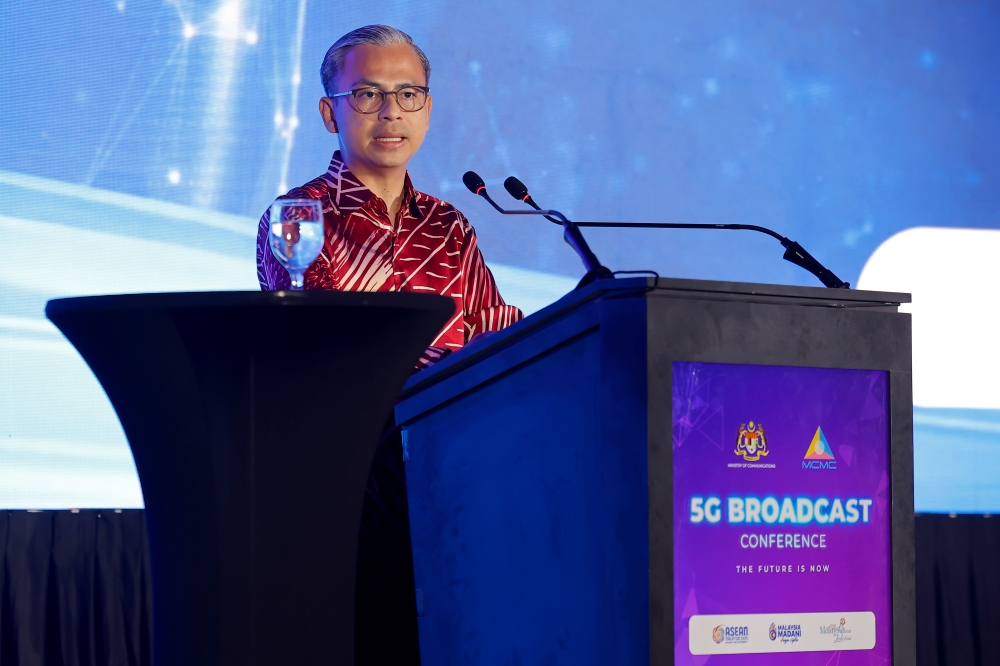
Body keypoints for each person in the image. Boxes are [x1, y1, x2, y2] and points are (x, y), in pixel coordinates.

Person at [255, 25, 523, 665]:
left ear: (427, 107)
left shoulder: (449, 225)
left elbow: (491, 329)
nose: (391, 113)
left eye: (408, 94)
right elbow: (330, 346)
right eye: (369, 95)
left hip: (447, 475)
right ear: (330, 112)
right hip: (347, 476)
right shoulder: (298, 217)